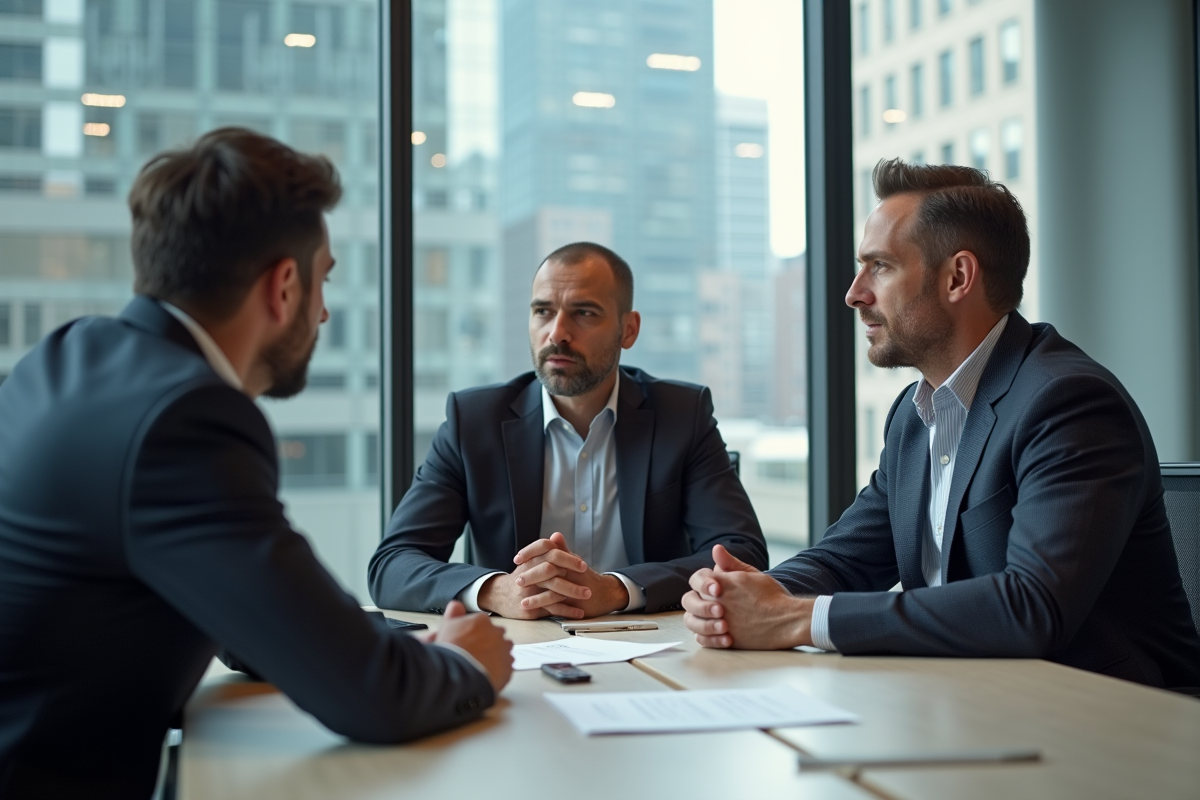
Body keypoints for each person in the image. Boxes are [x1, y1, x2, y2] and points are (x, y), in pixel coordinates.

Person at [0, 129, 513, 799]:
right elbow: (374, 698)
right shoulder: (183, 419)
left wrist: (379, 642)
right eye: (324, 280)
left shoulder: (68, 356)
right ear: (284, 285)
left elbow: (239, 600)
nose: (323, 312)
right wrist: (466, 665)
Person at [682, 159, 1200, 689]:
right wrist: (743, 595)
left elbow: (1033, 606)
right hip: (967, 701)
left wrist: (797, 618)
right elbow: (845, 560)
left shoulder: (1068, 403)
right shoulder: (914, 415)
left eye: (880, 266)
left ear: (957, 278)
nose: (855, 293)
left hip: (1106, 714)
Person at [369, 242, 767, 620]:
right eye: (543, 311)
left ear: (628, 330)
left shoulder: (681, 415)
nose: (557, 333)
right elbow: (393, 564)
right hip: (517, 648)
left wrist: (616, 590)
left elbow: (740, 554)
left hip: (651, 644)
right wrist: (497, 590)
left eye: (584, 313)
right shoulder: (474, 421)